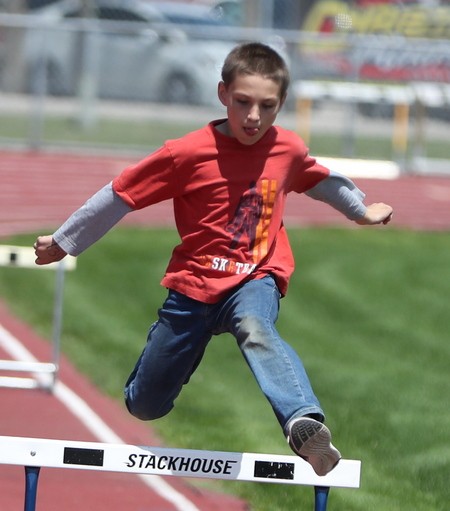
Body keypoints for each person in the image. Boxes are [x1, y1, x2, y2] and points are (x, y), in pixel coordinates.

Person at [34, 42, 393, 477]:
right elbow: (120, 194)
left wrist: (361, 211)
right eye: (243, 102)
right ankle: (169, 361)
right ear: (223, 94)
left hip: (255, 277)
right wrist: (65, 241)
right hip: (193, 286)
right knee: (144, 405)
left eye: (267, 106)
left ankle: (303, 422)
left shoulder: (287, 149)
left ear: (281, 104)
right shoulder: (186, 153)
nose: (253, 117)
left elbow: (319, 179)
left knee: (255, 326)